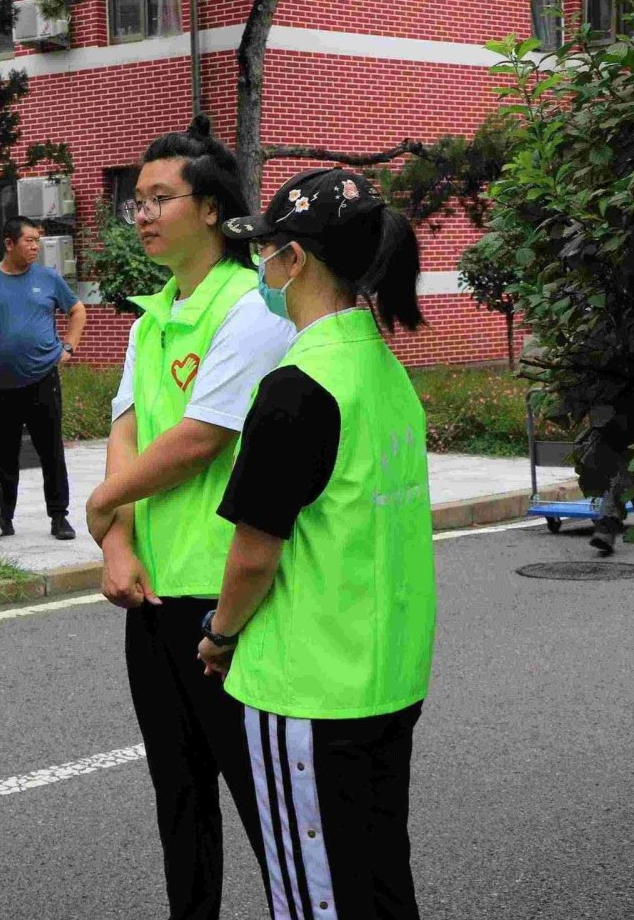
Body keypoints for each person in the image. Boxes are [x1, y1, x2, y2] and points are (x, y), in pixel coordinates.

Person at [199, 167, 435, 920]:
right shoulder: (383, 369)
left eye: (264, 251)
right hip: (386, 677)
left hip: (307, 690)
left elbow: (254, 554)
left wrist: (219, 634)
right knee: (379, 880)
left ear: (294, 259)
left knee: (317, 898)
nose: (259, 267)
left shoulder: (299, 386)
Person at [82, 115, 294, 920]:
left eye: (158, 198)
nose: (140, 213)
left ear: (210, 208)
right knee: (178, 793)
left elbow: (204, 437)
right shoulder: (150, 318)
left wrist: (101, 503)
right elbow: (127, 429)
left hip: (226, 594)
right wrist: (118, 543)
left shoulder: (255, 306)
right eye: (135, 200)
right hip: (154, 593)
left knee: (262, 798)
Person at [0, 215, 87, 539]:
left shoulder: (48, 278)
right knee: (4, 455)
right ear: (9, 243)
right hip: (1, 385)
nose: (35, 247)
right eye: (29, 241)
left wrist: (69, 347)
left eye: (38, 241)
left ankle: (59, 517)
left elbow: (77, 310)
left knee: (51, 452)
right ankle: (4, 518)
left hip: (43, 379)